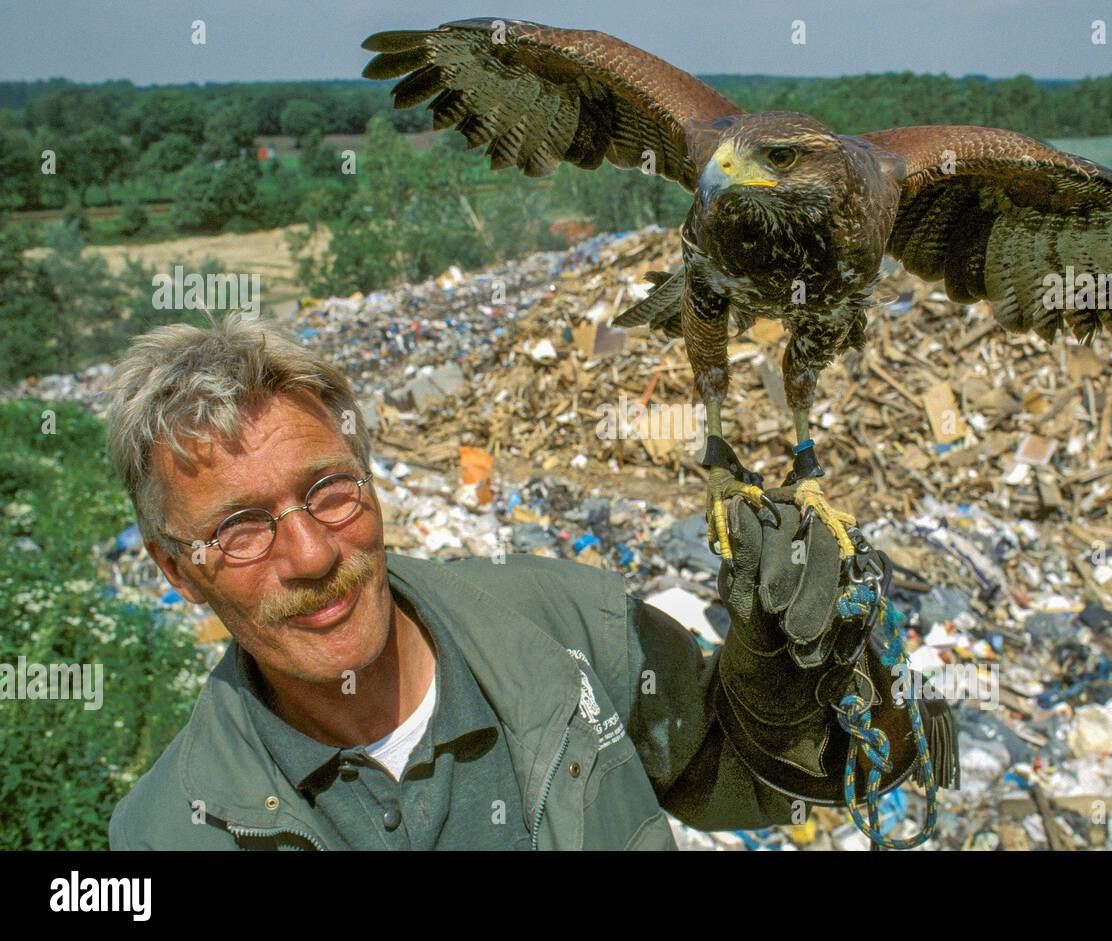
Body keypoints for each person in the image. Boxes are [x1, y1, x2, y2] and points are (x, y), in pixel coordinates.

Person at [104, 312, 948, 850]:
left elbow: (781, 777)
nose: (313, 555)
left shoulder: (568, 624)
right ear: (179, 570)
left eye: (330, 491)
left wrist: (817, 672)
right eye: (241, 528)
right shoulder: (172, 833)